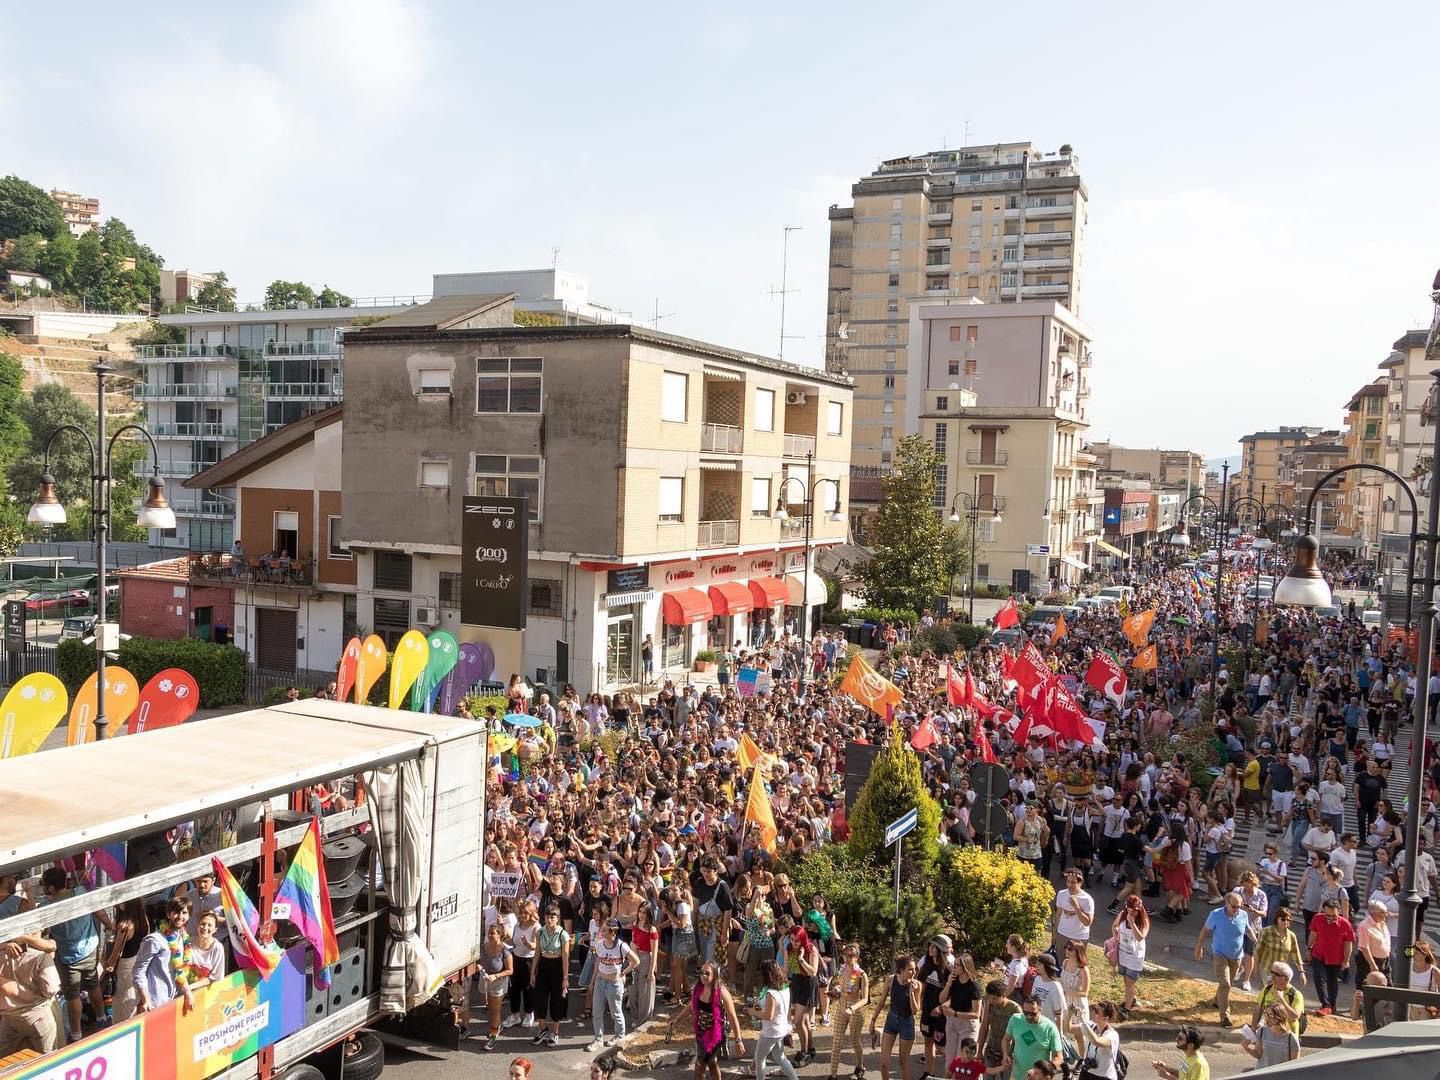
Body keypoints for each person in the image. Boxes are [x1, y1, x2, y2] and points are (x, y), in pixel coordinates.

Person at [40, 867, 106, 1042]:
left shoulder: (46, 907)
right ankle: (101, 1018)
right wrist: (111, 925)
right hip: (90, 948)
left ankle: (76, 1034)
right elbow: (99, 912)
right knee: (93, 985)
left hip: (68, 957)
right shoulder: (81, 892)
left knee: (72, 996)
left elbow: (41, 931)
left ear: (51, 888)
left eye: (44, 885)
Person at [667, 961, 743, 1080]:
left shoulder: (722, 992)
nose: (703, 976)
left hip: (715, 1036)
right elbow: (691, 1007)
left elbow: (732, 1016)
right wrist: (677, 1020)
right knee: (712, 1064)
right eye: (701, 973)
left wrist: (738, 1040)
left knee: (700, 1065)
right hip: (701, 1032)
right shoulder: (699, 988)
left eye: (707, 973)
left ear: (715, 975)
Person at [132, 897, 195, 1017]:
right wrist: (145, 1000)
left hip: (171, 999)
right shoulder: (154, 940)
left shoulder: (183, 938)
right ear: (168, 914)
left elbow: (180, 970)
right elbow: (138, 971)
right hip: (153, 1003)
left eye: (184, 913)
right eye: (176, 912)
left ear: (189, 916)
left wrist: (187, 992)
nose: (180, 916)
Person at [1193, 890, 1247, 1027]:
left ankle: (1217, 1001)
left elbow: (1247, 929)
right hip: (1220, 954)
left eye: (1239, 906)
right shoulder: (1216, 915)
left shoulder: (1243, 915)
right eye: (1234, 906)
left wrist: (1255, 938)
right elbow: (1205, 930)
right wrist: (1199, 947)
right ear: (1227, 903)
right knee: (1226, 984)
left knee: (1227, 984)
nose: (1236, 909)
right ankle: (1225, 1017)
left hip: (1236, 956)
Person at [0, 935, 60, 1056]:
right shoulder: (41, 956)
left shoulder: (2, 953)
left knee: (3, 1059)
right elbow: (51, 989)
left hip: (9, 1018)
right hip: (38, 1017)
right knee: (46, 1059)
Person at [586, 918, 638, 1052]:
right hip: (600, 981)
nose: (601, 932)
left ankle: (619, 1036)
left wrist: (623, 973)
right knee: (596, 1012)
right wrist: (592, 981)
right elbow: (598, 962)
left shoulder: (622, 946)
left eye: (604, 930)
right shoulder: (599, 944)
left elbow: (635, 961)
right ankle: (598, 1039)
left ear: (612, 932)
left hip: (614, 983)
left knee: (616, 1012)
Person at [870, 954, 922, 1080]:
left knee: (903, 1061)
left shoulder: (917, 985)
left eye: (915, 969)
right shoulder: (891, 980)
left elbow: (915, 1010)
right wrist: (873, 1020)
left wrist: (912, 993)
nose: (914, 972)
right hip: (892, 1020)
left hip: (907, 1022)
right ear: (901, 970)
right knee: (883, 1062)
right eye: (910, 969)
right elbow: (881, 1002)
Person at [529, 905, 569, 1048]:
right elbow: (537, 953)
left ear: (557, 919)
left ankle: (555, 1032)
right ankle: (543, 1029)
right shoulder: (540, 932)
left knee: (556, 1000)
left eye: (552, 917)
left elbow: (565, 957)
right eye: (547, 916)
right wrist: (533, 972)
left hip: (557, 967)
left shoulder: (562, 934)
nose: (549, 919)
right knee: (540, 998)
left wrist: (565, 978)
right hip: (544, 966)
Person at [828, 941, 870, 1080]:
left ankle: (860, 1066)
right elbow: (840, 987)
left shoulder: (861, 975)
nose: (848, 958)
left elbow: (864, 999)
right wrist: (833, 992)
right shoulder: (841, 970)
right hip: (841, 1007)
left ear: (857, 957)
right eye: (846, 955)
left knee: (854, 1040)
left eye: (851, 955)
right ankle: (833, 1075)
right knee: (837, 1041)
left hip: (855, 1010)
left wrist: (852, 1008)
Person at [1308, 896, 1355, 1016]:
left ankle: (1332, 1005)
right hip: (1318, 954)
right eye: (1327, 915)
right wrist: (1308, 949)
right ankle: (1325, 1004)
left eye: (1333, 916)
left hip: (1335, 958)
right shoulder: (1318, 918)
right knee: (1319, 978)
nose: (1330, 918)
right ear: (1323, 911)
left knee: (1332, 982)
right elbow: (1313, 934)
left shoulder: (1345, 924)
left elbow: (1348, 944)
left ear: (1338, 911)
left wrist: (1346, 960)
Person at [1001, 994, 1063, 1080]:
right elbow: (1006, 1039)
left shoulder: (1050, 1027)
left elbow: (1059, 1057)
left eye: (1033, 1013)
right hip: (1016, 1076)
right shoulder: (1015, 1019)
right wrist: (1005, 1054)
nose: (1029, 1016)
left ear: (1040, 1009)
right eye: (1025, 1013)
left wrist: (1040, 1071)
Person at [756, 959, 799, 1080]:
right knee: (780, 1057)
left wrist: (753, 1012)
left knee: (759, 1058)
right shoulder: (784, 987)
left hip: (771, 1031)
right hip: (782, 1028)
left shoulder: (771, 993)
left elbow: (768, 1016)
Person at [1111, 897, 1148, 1018]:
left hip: (1135, 956)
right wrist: (1116, 934)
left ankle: (1127, 1009)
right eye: (1129, 910)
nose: (1131, 913)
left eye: (1135, 911)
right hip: (1123, 952)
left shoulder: (1144, 921)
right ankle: (1131, 999)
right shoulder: (1122, 914)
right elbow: (1114, 925)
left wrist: (1132, 923)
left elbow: (1140, 937)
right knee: (1125, 980)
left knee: (1130, 981)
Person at [479, 923, 514, 1051]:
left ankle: (493, 1036)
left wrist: (496, 976)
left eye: (493, 933)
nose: (489, 935)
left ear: (499, 935)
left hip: (498, 981)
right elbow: (479, 961)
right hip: (485, 980)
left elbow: (510, 970)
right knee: (488, 1008)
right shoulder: (484, 947)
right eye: (489, 932)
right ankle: (494, 1028)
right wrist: (480, 967)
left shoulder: (505, 951)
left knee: (495, 1010)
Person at [1251, 962, 1304, 1036]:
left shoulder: (1296, 995)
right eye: (1272, 972)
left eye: (1277, 975)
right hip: (1268, 1035)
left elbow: (1294, 1017)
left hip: (1287, 1037)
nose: (1272, 976)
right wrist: (1253, 1028)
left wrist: (1281, 999)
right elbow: (1258, 1009)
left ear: (1286, 979)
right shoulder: (1267, 988)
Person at [977, 980, 1020, 1072]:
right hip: (991, 1050)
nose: (992, 1001)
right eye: (990, 998)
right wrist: (980, 1050)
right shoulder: (990, 1005)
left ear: (1003, 995)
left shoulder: (1015, 1009)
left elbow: (1018, 1036)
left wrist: (1012, 1055)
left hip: (1007, 1054)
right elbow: (984, 1027)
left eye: (995, 998)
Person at [1074, 1000, 1121, 1080]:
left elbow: (1097, 1041)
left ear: (1106, 1018)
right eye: (1093, 1009)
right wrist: (1069, 1013)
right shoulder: (1091, 1025)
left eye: (1096, 1011)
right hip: (1087, 1073)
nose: (1093, 1012)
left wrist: (1082, 1020)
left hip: (1104, 1077)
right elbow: (1068, 1028)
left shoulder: (1112, 1035)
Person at [1052, 869, 1095, 956]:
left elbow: (1088, 922)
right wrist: (1055, 934)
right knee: (1061, 963)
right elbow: (1058, 915)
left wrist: (1077, 907)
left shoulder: (1087, 899)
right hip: (1062, 933)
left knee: (1076, 964)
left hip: (1079, 937)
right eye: (1068, 881)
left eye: (1073, 882)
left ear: (1080, 883)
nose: (1070, 885)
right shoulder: (1061, 894)